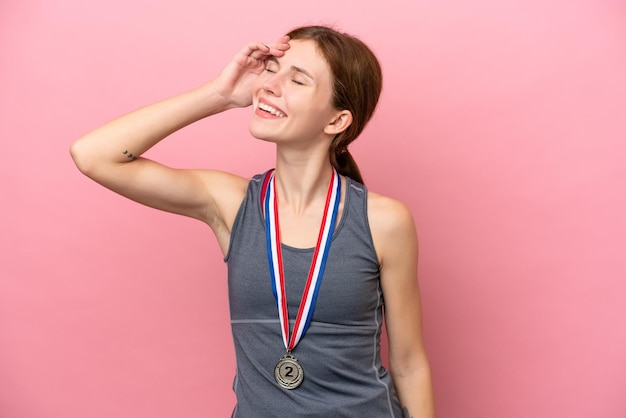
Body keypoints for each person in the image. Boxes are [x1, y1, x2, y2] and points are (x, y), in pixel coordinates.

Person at [70, 25, 435, 418]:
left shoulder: (384, 221)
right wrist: (220, 95)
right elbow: (93, 155)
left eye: (297, 79)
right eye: (272, 69)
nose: (270, 85)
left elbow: (409, 363)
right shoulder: (231, 204)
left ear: (336, 121)